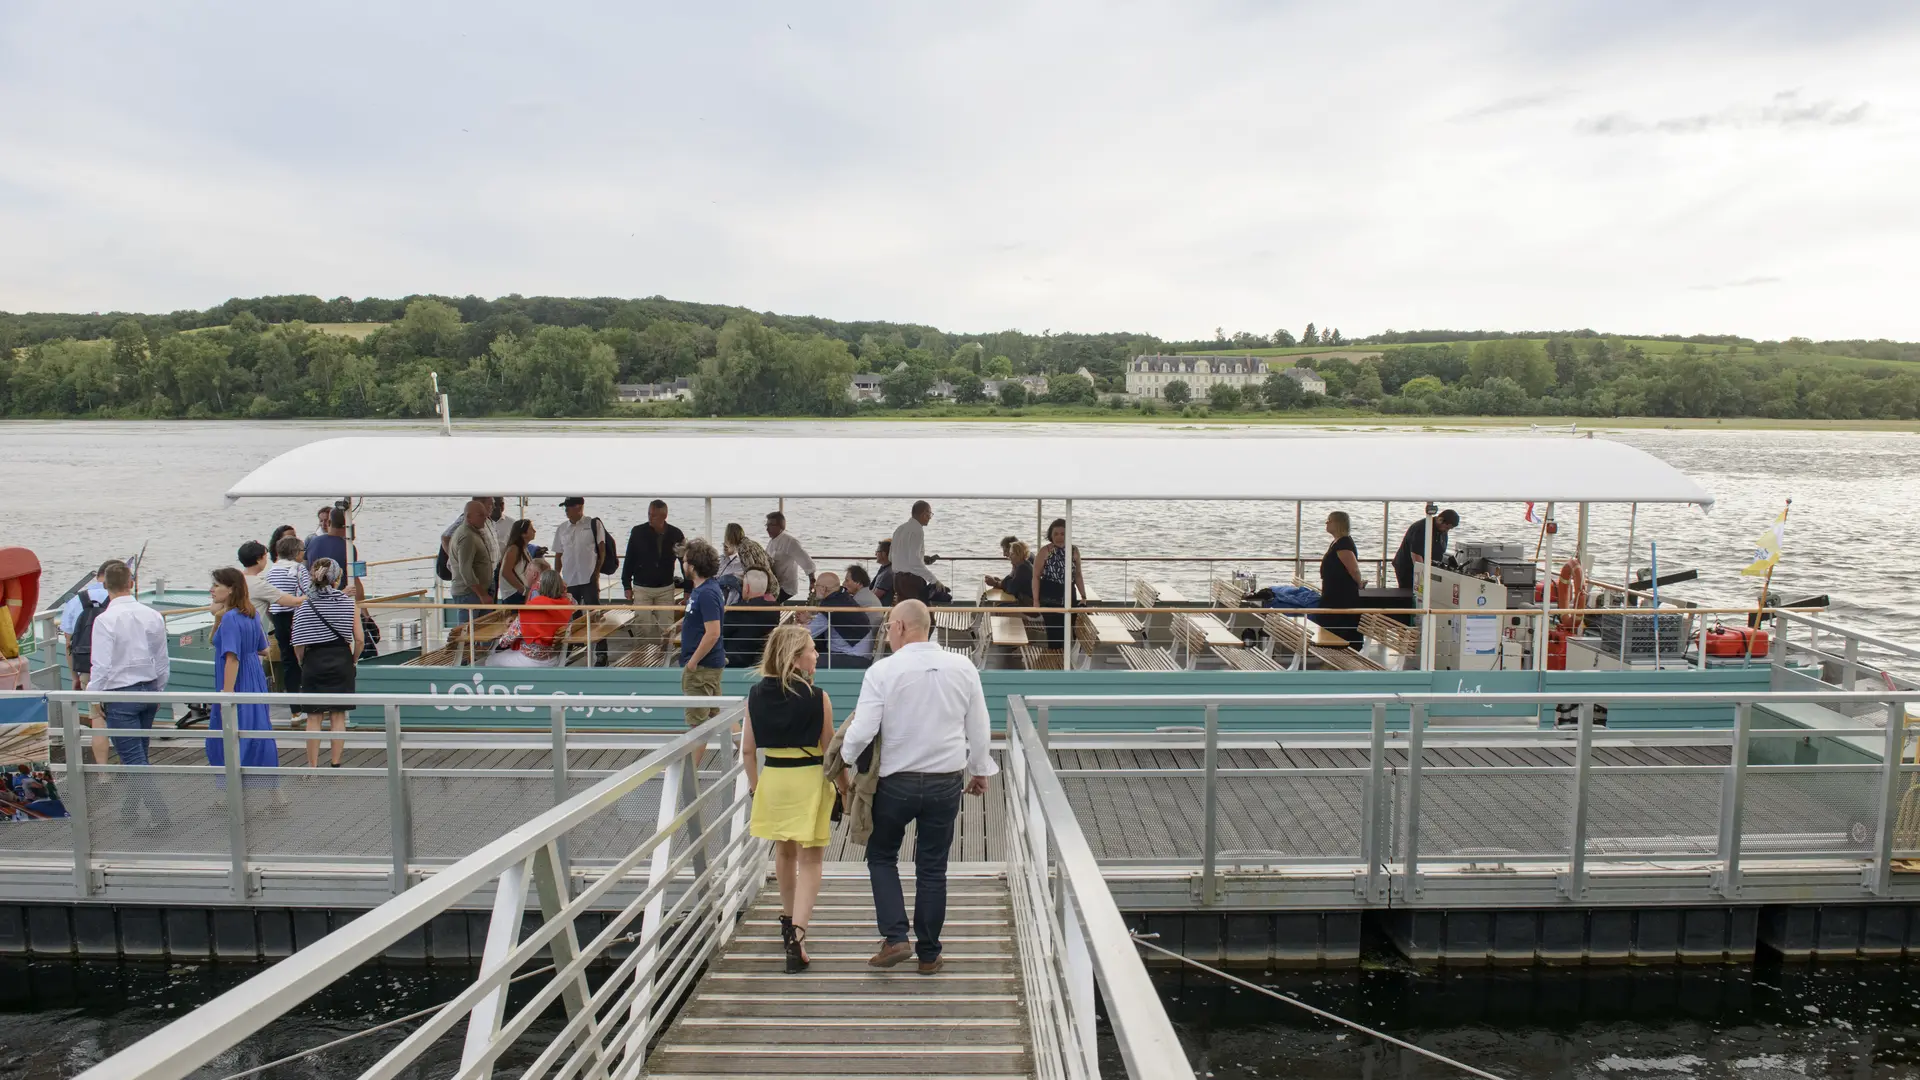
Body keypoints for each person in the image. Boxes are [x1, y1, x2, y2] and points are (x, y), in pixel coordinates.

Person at [839, 600, 996, 974]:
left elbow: (862, 729)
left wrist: (842, 760)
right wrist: (979, 770)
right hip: (945, 782)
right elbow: (979, 725)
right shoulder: (963, 667)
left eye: (888, 627)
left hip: (895, 782)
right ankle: (929, 955)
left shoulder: (882, 671)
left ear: (899, 627)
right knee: (932, 867)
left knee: (881, 855)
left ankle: (895, 937)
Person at [742, 624, 838, 973]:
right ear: (796, 659)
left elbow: (748, 751)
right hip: (808, 780)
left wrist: (756, 789)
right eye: (812, 649)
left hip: (774, 779)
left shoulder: (755, 695)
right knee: (810, 861)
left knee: (783, 853)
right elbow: (830, 751)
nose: (817, 654)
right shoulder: (818, 697)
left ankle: (787, 919)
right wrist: (845, 787)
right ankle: (798, 936)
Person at [88, 560, 171, 827]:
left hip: (120, 694)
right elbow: (162, 659)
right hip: (149, 689)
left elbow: (100, 666)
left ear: (105, 586)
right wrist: (159, 690)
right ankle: (129, 810)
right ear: (131, 584)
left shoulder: (104, 620)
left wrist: (93, 697)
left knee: (134, 759)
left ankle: (160, 814)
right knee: (139, 755)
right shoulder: (153, 615)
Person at [206, 568, 281, 797]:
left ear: (230, 589)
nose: (211, 590)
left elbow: (231, 658)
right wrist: (218, 620)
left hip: (235, 680)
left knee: (227, 732)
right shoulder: (251, 614)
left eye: (216, 585)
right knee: (257, 729)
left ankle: (232, 792)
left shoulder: (230, 618)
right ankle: (272, 792)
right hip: (254, 676)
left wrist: (226, 695)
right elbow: (263, 649)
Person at [291, 558, 362, 768]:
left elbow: (298, 643)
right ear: (337, 579)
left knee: (314, 717)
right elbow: (359, 640)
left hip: (314, 660)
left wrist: (302, 661)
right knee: (338, 715)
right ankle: (335, 763)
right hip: (341, 659)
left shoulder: (305, 605)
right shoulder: (348, 604)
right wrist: (353, 660)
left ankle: (312, 766)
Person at [59, 561, 112, 765]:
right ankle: (132, 767)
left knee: (97, 722)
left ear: (98, 576)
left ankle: (103, 773)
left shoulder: (76, 601)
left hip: (88, 667)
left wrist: (75, 676)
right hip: (118, 667)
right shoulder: (120, 599)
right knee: (126, 720)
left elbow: (69, 643)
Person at [679, 538, 727, 756]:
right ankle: (748, 755)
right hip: (707, 665)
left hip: (702, 668)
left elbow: (713, 632)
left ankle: (689, 773)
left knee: (698, 725)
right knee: (718, 716)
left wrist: (693, 662)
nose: (682, 563)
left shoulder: (707, 593)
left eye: (685, 560)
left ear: (693, 566)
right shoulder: (703, 590)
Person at [265, 536, 312, 732]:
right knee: (306, 659)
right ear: (295, 553)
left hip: (279, 619)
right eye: (302, 550)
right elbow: (309, 594)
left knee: (288, 662)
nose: (304, 554)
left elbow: (269, 599)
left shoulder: (272, 570)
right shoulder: (299, 570)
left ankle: (295, 710)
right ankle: (312, 704)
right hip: (297, 617)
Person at [624, 499, 685, 643]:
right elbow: (630, 558)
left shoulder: (676, 534)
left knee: (667, 627)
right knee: (643, 626)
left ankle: (665, 654)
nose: (650, 518)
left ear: (664, 516)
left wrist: (688, 587)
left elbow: (684, 561)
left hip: (665, 588)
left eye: (654, 515)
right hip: (642, 587)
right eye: (649, 514)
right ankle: (641, 653)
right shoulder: (638, 532)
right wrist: (626, 584)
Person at [489, 570, 574, 667]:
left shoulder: (532, 607)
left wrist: (501, 640)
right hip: (553, 658)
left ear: (541, 586)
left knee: (490, 660)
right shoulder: (566, 604)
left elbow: (507, 639)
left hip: (531, 659)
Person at [1314, 511, 1366, 646]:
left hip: (1341, 597)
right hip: (1333, 595)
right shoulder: (1336, 542)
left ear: (1338, 523)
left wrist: (1359, 584)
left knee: (1339, 629)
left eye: (1329, 520)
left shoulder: (1344, 543)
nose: (1326, 523)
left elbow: (1354, 569)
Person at [807, 572, 876, 669]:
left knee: (804, 660)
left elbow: (807, 634)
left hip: (854, 657)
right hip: (862, 654)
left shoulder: (831, 607)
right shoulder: (842, 597)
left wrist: (792, 630)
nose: (814, 589)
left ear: (823, 588)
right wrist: (810, 619)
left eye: (816, 586)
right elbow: (827, 621)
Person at [1034, 518, 1085, 651]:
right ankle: (1055, 658)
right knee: (1054, 634)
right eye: (1056, 534)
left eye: (1063, 534)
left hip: (1069, 595)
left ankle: (1065, 659)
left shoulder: (1074, 550)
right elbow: (1036, 577)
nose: (1059, 537)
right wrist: (1036, 601)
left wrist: (1083, 596)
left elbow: (1078, 575)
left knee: (1069, 631)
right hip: (1050, 596)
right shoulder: (1045, 551)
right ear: (1051, 535)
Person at [553, 497, 612, 605]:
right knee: (572, 610)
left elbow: (602, 550)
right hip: (569, 578)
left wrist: (596, 572)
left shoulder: (593, 524)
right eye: (565, 507)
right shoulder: (561, 528)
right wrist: (556, 576)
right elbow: (558, 554)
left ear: (579, 507)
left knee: (593, 608)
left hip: (589, 577)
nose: (566, 510)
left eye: (569, 507)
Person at [448, 498, 497, 626]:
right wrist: (482, 594)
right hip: (469, 594)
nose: (485, 518)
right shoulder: (467, 537)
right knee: (468, 632)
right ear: (469, 517)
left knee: (482, 629)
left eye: (485, 514)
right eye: (480, 515)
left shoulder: (473, 532)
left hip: (475, 592)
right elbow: (465, 569)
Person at [724, 569, 783, 669]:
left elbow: (720, 632)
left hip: (734, 661)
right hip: (759, 659)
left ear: (747, 588)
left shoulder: (737, 610)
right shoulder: (774, 609)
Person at [1393, 508, 1459, 591]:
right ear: (1440, 520)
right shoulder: (1421, 529)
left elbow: (1440, 551)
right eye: (1447, 527)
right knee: (1411, 593)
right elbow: (1416, 556)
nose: (1447, 530)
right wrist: (1424, 578)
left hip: (1429, 567)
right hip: (1408, 568)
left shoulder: (1442, 532)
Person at [306, 508, 364, 600]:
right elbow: (355, 581)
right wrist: (362, 607)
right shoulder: (348, 548)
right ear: (349, 526)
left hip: (314, 596)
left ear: (329, 522)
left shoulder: (313, 542)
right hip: (339, 598)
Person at [888, 501, 940, 603]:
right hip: (911, 581)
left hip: (897, 580)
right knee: (922, 610)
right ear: (924, 513)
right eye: (929, 514)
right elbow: (915, 562)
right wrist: (934, 580)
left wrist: (922, 559)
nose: (930, 517)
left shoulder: (900, 528)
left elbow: (891, 557)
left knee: (904, 609)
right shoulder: (917, 530)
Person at [764, 511, 815, 601]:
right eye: (767, 525)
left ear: (781, 526)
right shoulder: (771, 542)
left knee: (763, 603)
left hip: (785, 588)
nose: (767, 529)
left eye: (771, 525)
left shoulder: (790, 542)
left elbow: (807, 562)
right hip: (773, 585)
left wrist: (812, 582)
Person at [497, 519, 537, 605]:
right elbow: (505, 572)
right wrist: (523, 590)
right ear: (523, 534)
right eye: (531, 529)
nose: (534, 531)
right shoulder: (514, 549)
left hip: (519, 592)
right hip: (514, 593)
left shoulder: (523, 548)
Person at [985, 540, 1035, 606]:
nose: (1009, 557)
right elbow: (1011, 582)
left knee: (999, 606)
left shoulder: (1023, 568)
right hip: (1022, 599)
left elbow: (1011, 589)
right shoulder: (1021, 565)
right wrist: (1000, 582)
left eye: (1012, 554)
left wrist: (996, 583)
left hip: (1027, 603)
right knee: (998, 604)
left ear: (1019, 554)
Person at [871, 539, 895, 605]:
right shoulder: (884, 568)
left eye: (877, 551)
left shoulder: (888, 573)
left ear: (884, 553)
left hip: (878, 608)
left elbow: (874, 597)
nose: (875, 554)